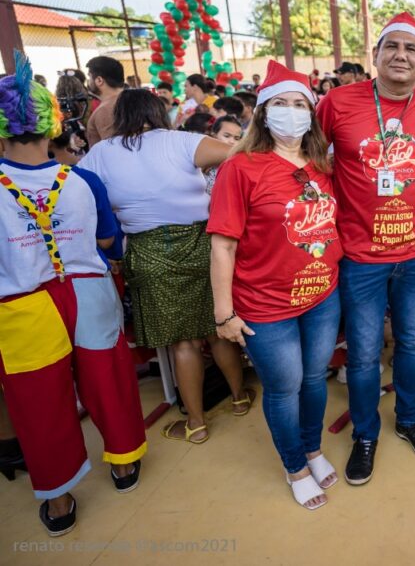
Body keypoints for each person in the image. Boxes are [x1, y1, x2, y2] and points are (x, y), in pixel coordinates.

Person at [0, 54, 146, 536]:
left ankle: (59, 498)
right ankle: (123, 463)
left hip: (20, 304)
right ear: (53, 125)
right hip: (88, 289)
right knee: (108, 379)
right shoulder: (84, 180)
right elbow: (108, 242)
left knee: (38, 400)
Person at [78, 90, 253, 445]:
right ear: (157, 112)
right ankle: (239, 399)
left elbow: (78, 192)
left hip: (148, 249)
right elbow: (239, 152)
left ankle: (197, 424)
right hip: (201, 243)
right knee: (217, 327)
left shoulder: (100, 154)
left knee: (183, 343)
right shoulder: (183, 141)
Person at [209, 61, 343, 510]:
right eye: (280, 104)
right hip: (266, 305)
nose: (291, 112)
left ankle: (313, 448)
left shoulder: (323, 164)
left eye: (299, 104)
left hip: (322, 296)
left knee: (314, 379)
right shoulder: (241, 168)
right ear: (263, 112)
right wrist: (223, 313)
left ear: (312, 112)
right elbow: (223, 246)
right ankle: (295, 466)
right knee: (284, 387)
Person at [316, 13, 415, 485]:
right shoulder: (338, 102)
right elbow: (309, 159)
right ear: (375, 56)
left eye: (411, 49)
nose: (401, 56)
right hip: (360, 256)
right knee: (365, 352)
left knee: (412, 340)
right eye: (392, 46)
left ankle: (408, 418)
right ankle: (365, 434)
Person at [83, 56, 124, 147]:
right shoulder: (137, 100)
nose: (88, 81)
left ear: (99, 80)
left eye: (89, 77)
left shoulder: (105, 110)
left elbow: (114, 149)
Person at [204, 116, 243, 194]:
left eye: (236, 138)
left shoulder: (239, 166)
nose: (232, 142)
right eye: (227, 136)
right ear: (214, 136)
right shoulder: (200, 159)